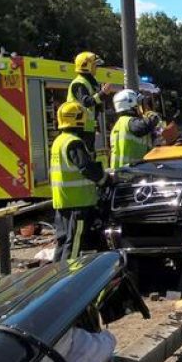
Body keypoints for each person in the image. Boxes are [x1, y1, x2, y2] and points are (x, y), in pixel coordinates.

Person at [50, 102, 109, 262]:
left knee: (62, 243)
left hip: (63, 203)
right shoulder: (74, 142)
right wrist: (104, 179)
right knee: (74, 245)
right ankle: (70, 279)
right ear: (78, 119)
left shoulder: (58, 141)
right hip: (78, 204)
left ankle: (55, 277)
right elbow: (86, 167)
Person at [67, 52, 112, 153]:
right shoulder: (79, 83)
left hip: (86, 124)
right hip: (77, 126)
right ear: (86, 66)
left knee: (90, 151)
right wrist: (102, 94)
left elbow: (93, 109)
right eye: (95, 65)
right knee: (85, 152)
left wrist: (96, 128)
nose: (97, 68)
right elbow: (86, 102)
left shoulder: (90, 82)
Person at [109, 89, 160, 169]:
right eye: (138, 104)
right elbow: (146, 125)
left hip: (122, 171)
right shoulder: (129, 122)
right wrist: (150, 114)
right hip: (130, 171)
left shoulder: (121, 123)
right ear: (131, 104)